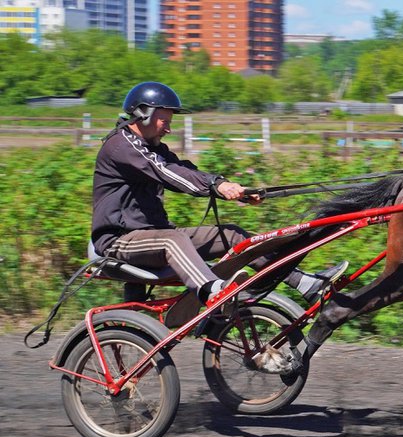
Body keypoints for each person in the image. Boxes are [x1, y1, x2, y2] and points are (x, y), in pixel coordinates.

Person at [91, 81, 346, 308]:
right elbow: (167, 173)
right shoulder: (121, 145)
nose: (168, 128)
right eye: (164, 121)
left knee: (232, 235)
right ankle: (212, 291)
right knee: (172, 240)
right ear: (143, 115)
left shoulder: (152, 146)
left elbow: (183, 169)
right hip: (119, 240)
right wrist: (216, 187)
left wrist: (231, 188)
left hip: (151, 235)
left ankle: (305, 284)